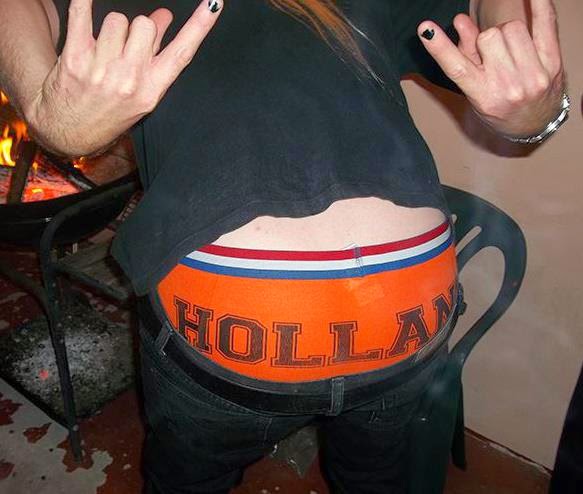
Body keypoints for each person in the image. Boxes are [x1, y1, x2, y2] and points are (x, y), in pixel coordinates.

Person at [0, 0, 567, 492]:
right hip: (407, 318)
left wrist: (540, 108)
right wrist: (48, 114)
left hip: (365, 337)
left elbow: (489, 12)